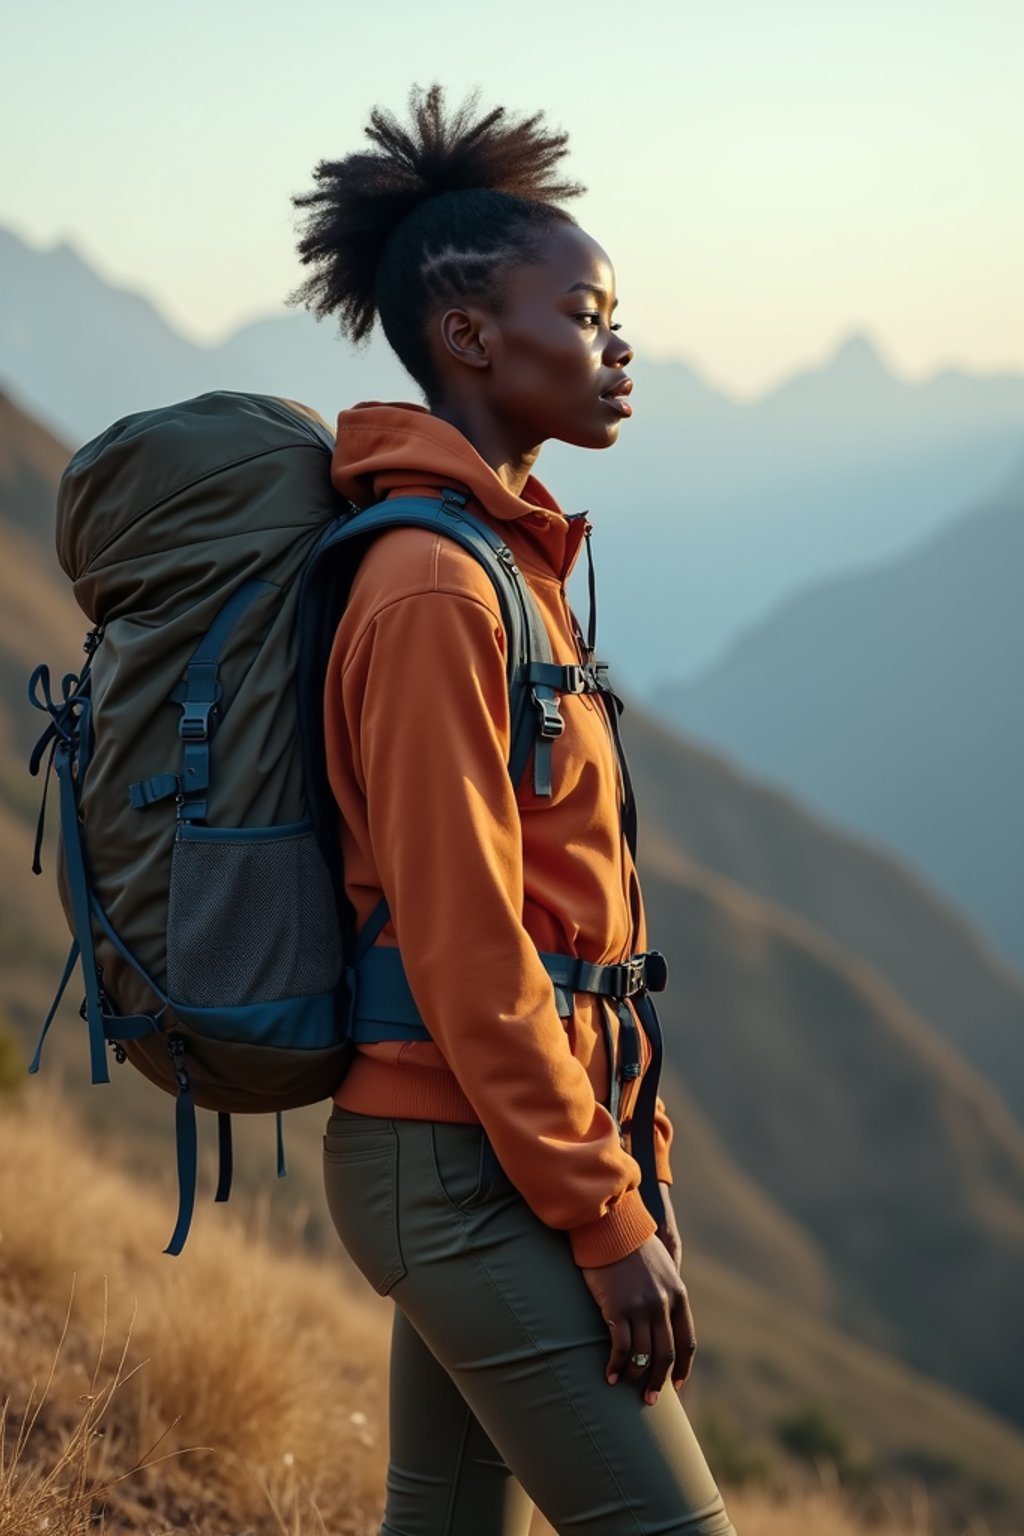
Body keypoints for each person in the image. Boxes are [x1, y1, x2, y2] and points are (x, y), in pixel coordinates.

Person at [291, 85, 736, 1536]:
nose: (619, 351)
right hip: (459, 1163)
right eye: (590, 312)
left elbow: (574, 923)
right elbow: (473, 947)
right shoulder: (434, 591)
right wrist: (604, 1215)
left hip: (500, 1144)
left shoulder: (502, 561)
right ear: (472, 338)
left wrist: (630, 1167)